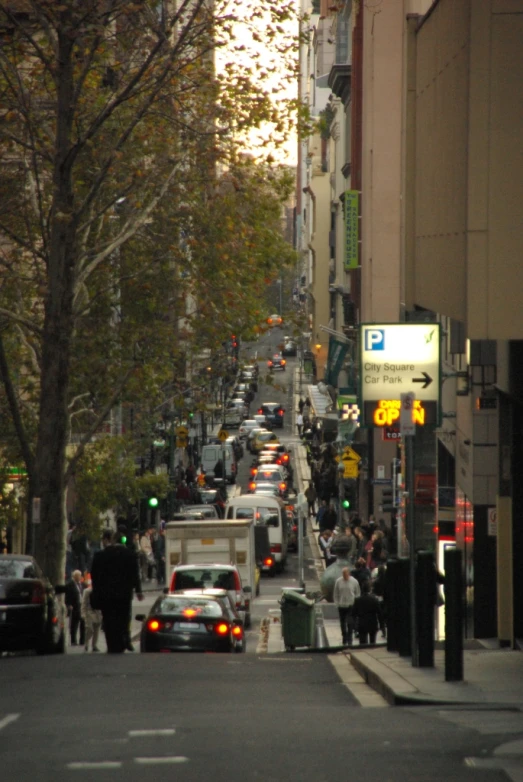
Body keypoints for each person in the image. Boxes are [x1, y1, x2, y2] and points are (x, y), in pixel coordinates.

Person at [91, 529, 144, 654]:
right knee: (124, 618)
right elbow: (135, 574)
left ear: (112, 540)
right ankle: (123, 638)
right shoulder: (130, 554)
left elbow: (94, 576)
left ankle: (111, 644)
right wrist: (138, 590)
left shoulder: (100, 556)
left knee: (109, 619)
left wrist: (96, 591)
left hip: (106, 594)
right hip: (124, 594)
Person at [333, 566, 361, 646]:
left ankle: (349, 638)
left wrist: (355, 603)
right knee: (342, 623)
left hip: (350, 605)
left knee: (350, 622)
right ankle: (344, 636)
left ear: (348, 573)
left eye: (345, 574)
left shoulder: (354, 581)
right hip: (341, 605)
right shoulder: (338, 581)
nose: (344, 576)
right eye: (343, 574)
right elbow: (336, 593)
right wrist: (337, 603)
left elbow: (357, 593)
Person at [353, 581, 385, 645]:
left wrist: (354, 626)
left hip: (362, 624)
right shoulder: (374, 600)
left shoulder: (358, 600)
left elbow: (354, 613)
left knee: (362, 643)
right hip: (372, 623)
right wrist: (382, 625)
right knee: (372, 642)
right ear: (369, 589)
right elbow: (379, 613)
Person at [81, 579, 102, 652]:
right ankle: (86, 643)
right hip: (89, 612)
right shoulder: (87, 591)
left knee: (96, 630)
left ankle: (94, 645)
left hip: (98, 612)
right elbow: (84, 602)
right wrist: (83, 613)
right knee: (89, 629)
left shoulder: (100, 591)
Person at [65, 569, 84, 646]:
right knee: (74, 624)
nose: (81, 577)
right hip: (74, 606)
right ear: (75, 576)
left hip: (81, 605)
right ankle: (73, 640)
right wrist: (68, 604)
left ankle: (82, 640)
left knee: (83, 623)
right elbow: (67, 595)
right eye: (79, 576)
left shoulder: (80, 584)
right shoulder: (70, 584)